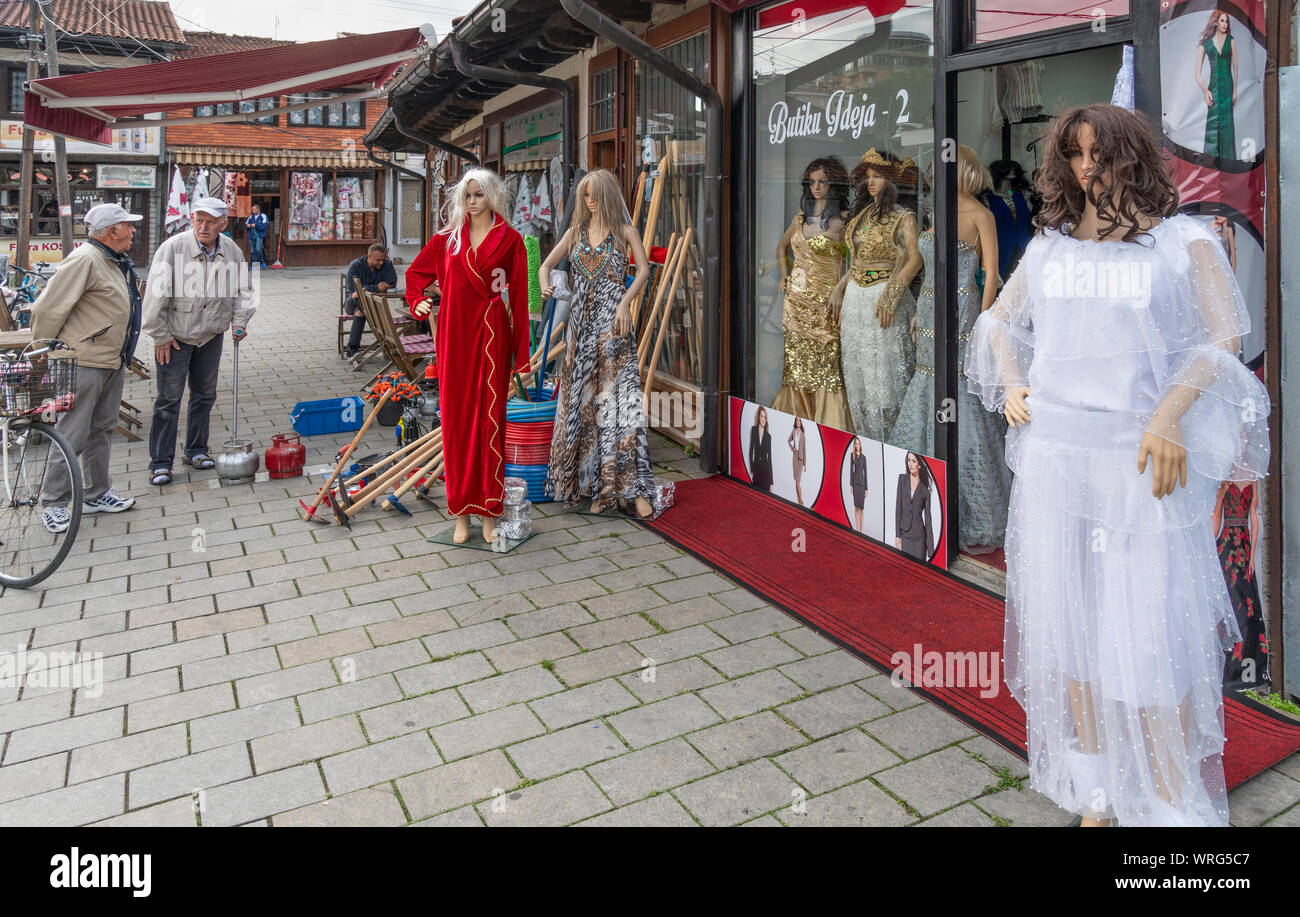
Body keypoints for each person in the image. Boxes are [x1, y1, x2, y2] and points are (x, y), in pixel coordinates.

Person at [966, 103, 1270, 827]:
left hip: (1138, 463)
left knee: (1151, 630)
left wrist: (1169, 415)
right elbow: (998, 319)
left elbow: (1222, 335)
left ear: (1134, 154)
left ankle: (1171, 803)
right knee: (1071, 626)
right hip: (1056, 461)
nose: (1088, 166)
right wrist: (1013, 382)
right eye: (1074, 153)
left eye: (1101, 152)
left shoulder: (1180, 242)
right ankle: (1095, 790)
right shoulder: (1050, 248)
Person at [891, 146, 1011, 552]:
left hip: (963, 311)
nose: (934, 175)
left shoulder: (981, 215)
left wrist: (986, 321)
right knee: (926, 383)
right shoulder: (936, 213)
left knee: (960, 392)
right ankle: (922, 500)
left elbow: (991, 272)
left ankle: (969, 510)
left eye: (943, 169)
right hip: (927, 309)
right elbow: (926, 268)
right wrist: (915, 313)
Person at [405, 169, 530, 545]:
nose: (472, 201)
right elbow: (414, 275)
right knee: (458, 424)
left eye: (479, 194)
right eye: (468, 195)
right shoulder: (447, 240)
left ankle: (489, 511)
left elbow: (521, 299)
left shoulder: (510, 240)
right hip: (455, 338)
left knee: (490, 421)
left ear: (492, 196)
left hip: (493, 337)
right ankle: (461, 512)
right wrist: (418, 302)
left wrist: (520, 355)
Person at [539, 169, 655, 517]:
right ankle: (590, 485)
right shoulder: (575, 232)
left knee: (621, 401)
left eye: (594, 194)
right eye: (584, 195)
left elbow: (645, 271)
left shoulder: (624, 232)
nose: (589, 200)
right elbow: (546, 265)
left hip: (614, 325)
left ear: (605, 194)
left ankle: (633, 488)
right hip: (580, 328)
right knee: (583, 402)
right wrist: (546, 285)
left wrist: (624, 302)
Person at [32, 203, 143, 532]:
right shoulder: (84, 259)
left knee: (102, 430)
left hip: (111, 360)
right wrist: (42, 353)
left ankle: (96, 492)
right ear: (112, 232)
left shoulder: (114, 259)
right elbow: (47, 309)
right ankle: (53, 502)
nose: (133, 231)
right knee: (72, 433)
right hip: (82, 361)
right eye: (128, 226)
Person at [142, 196, 255, 486]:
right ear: (192, 220)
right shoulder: (173, 248)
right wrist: (160, 335)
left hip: (211, 336)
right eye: (199, 220)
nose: (203, 226)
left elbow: (244, 290)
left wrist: (239, 322)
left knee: (205, 396)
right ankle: (160, 462)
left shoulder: (232, 251)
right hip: (175, 337)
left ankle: (196, 450)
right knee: (168, 400)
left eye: (210, 222)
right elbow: (155, 295)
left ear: (222, 223)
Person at [833, 150, 922, 441]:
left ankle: (896, 441)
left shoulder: (904, 217)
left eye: (878, 176)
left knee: (886, 375)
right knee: (860, 373)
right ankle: (869, 441)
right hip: (856, 302)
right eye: (868, 177)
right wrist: (840, 286)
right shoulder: (862, 216)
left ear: (892, 179)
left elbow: (915, 258)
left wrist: (893, 293)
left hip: (883, 298)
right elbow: (857, 262)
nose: (871, 182)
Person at [771, 158, 853, 430]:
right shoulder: (800, 218)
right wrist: (784, 275)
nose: (817, 187)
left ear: (833, 184)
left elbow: (854, 262)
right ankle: (797, 423)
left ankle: (829, 425)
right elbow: (781, 248)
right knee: (795, 365)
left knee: (827, 365)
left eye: (823, 181)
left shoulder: (842, 221)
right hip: (794, 304)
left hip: (825, 303)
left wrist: (842, 289)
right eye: (812, 182)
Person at [343, 242, 399, 359]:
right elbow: (354, 292)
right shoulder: (356, 266)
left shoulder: (386, 264)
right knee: (361, 307)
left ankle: (353, 349)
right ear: (369, 257)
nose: (381, 263)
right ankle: (386, 345)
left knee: (362, 311)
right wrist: (376, 287)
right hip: (352, 303)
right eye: (378, 260)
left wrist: (369, 288)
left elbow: (392, 283)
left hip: (373, 303)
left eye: (383, 259)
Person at [1195, 10, 1238, 159]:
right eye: (1222, 21)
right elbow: (1197, 74)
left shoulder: (1230, 40)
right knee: (1213, 123)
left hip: (1227, 86)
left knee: (1227, 122)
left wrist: (1235, 92)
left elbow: (1235, 67)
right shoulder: (1205, 45)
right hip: (1213, 87)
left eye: (1226, 21)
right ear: (1215, 22)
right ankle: (1211, 161)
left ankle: (1228, 159)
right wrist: (1205, 91)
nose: (1225, 24)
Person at [894, 450, 933, 562]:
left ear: (919, 465)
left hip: (919, 537)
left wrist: (930, 548)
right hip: (905, 533)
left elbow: (928, 519)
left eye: (914, 461)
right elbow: (898, 507)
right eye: (908, 460)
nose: (910, 464)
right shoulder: (902, 479)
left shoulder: (925, 489)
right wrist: (897, 534)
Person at [749, 406, 773, 493]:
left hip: (765, 471)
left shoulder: (768, 436)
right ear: (759, 417)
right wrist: (752, 471)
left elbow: (769, 459)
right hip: (756, 470)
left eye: (765, 417)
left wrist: (771, 482)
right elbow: (751, 451)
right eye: (762, 416)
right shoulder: (753, 430)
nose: (763, 419)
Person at [848, 436, 867, 531]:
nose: (857, 445)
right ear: (854, 445)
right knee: (856, 508)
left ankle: (861, 530)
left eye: (858, 443)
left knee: (862, 509)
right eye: (856, 443)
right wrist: (851, 485)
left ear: (860, 445)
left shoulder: (864, 457)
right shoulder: (852, 455)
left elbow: (865, 473)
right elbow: (851, 471)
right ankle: (856, 528)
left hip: (862, 485)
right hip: (855, 484)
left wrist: (866, 488)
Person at [788, 416, 807, 506]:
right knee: (796, 480)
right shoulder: (793, 432)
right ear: (795, 422)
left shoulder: (803, 435)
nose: (798, 422)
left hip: (800, 459)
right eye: (797, 420)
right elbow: (788, 440)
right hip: (794, 457)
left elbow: (804, 450)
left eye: (799, 420)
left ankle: (801, 501)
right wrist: (792, 448)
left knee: (798, 481)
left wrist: (805, 464)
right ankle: (798, 501)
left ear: (801, 422)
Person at [245, 203, 268, 269]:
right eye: (252, 210)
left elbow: (264, 226)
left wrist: (256, 225)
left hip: (259, 236)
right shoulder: (251, 217)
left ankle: (261, 262)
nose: (253, 211)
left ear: (258, 209)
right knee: (252, 251)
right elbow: (246, 225)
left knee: (258, 250)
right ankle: (254, 265)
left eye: (254, 209)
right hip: (251, 236)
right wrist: (248, 226)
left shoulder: (263, 216)